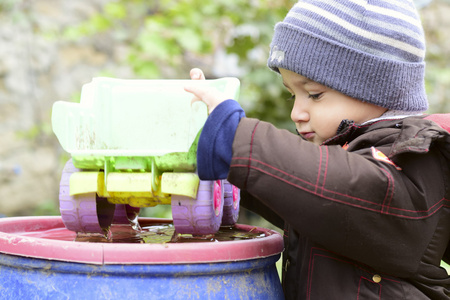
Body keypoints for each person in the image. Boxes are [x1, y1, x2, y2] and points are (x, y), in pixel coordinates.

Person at [184, 0, 450, 299]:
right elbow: (296, 192)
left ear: (376, 87)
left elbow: (342, 188)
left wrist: (232, 136)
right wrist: (214, 158)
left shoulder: (412, 159)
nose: (297, 112)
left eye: (314, 94)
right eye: (292, 95)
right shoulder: (336, 168)